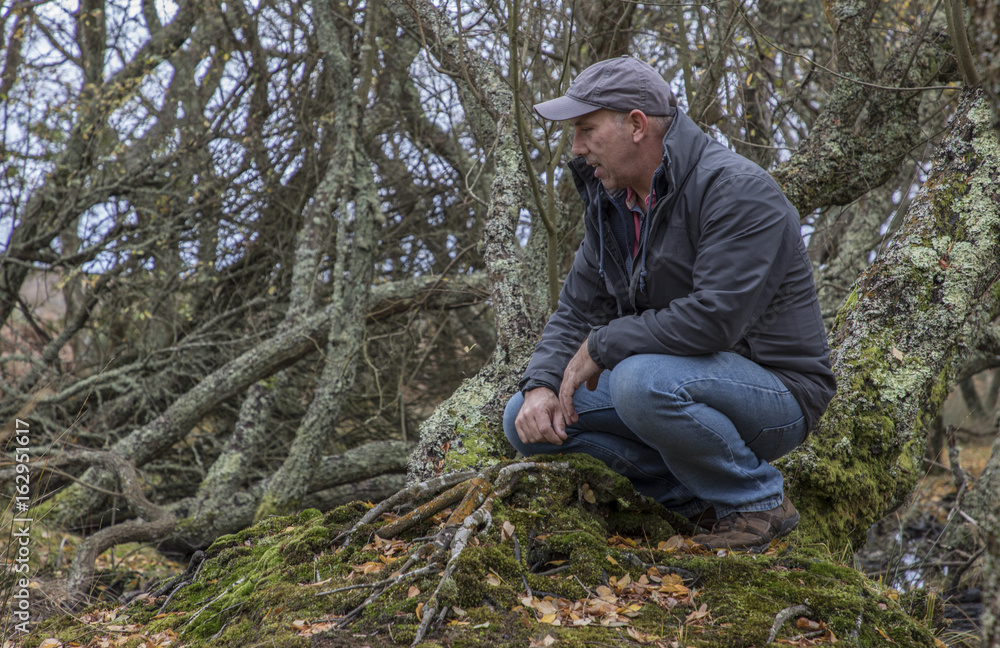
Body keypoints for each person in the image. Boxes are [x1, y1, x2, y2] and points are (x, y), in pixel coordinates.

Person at [503, 56, 836, 553]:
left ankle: (756, 501)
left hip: (776, 392)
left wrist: (605, 344)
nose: (576, 148)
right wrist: (542, 385)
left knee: (641, 381)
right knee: (524, 421)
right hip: (677, 380)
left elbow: (714, 321)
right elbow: (577, 309)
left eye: (586, 129)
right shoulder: (609, 203)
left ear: (636, 125)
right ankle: (692, 500)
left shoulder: (737, 190)